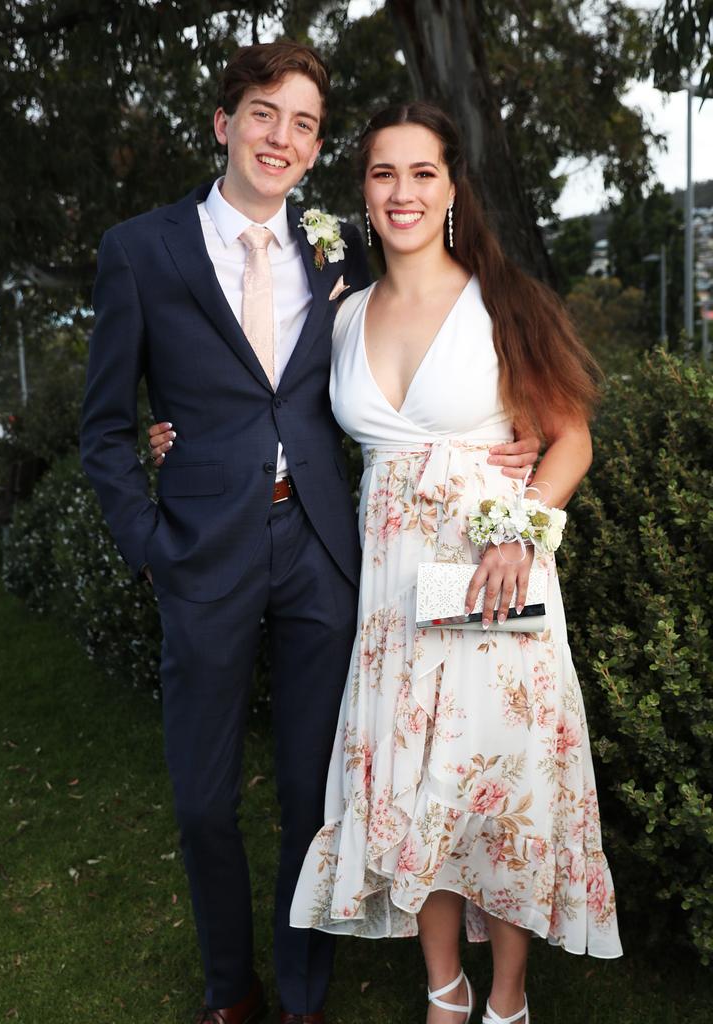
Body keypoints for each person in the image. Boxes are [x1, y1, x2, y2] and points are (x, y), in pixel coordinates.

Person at [90, 39, 537, 1023]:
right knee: (205, 799)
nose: (280, 137)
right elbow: (106, 429)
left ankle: (301, 993)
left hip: (323, 555)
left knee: (311, 789)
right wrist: (151, 543)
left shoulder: (333, 251)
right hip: (200, 556)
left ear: (314, 145)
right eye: (263, 114)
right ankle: (229, 985)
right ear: (224, 123)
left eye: (302, 123)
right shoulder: (140, 249)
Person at [276, 102, 621, 1024]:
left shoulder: (503, 301)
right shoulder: (341, 316)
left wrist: (521, 531)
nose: (403, 192)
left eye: (423, 173)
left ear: (452, 187)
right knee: (411, 785)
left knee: (495, 786)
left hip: (494, 576)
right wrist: (170, 437)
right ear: (363, 190)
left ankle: (506, 997)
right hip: (391, 596)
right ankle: (444, 988)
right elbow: (267, 414)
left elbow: (571, 441)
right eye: (384, 173)